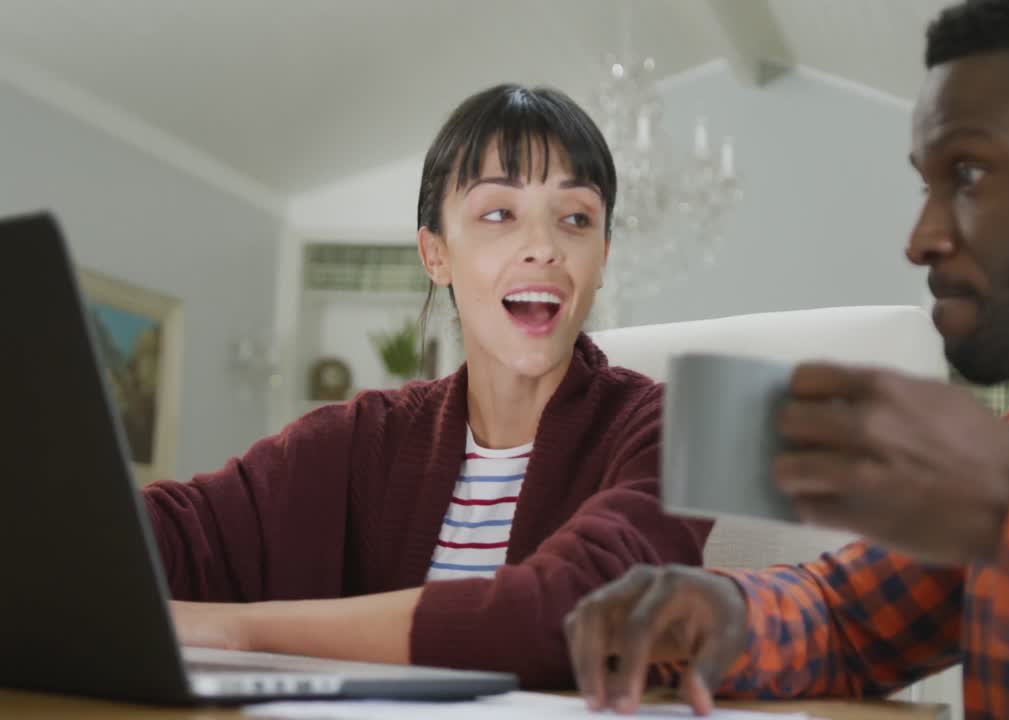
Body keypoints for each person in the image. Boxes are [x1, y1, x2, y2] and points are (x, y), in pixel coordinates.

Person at [565, 0, 1009, 716]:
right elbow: (846, 621)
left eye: (969, 173)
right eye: (926, 183)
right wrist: (723, 608)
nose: (919, 238)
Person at [143, 83, 711, 688]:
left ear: (601, 258)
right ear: (435, 254)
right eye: (499, 214)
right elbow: (172, 534)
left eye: (575, 219)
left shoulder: (677, 431)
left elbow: (581, 611)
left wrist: (240, 631)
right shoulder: (359, 439)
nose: (543, 248)